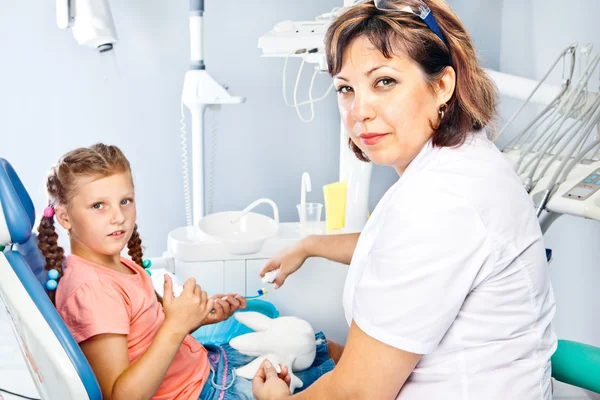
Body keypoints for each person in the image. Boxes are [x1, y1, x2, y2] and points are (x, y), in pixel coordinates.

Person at [252, 1, 557, 399]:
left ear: (442, 85)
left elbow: (357, 393)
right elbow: (399, 252)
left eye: (384, 82)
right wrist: (311, 246)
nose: (359, 112)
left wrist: (274, 397)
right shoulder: (462, 164)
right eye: (346, 89)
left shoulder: (440, 200)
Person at [37, 144, 335, 400]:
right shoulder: (91, 290)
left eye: (125, 201)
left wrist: (196, 319)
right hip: (202, 390)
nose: (118, 217)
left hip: (206, 366)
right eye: (98, 205)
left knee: (321, 349)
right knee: (338, 381)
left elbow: (145, 337)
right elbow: (121, 395)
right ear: (65, 217)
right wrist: (176, 326)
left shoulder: (114, 264)